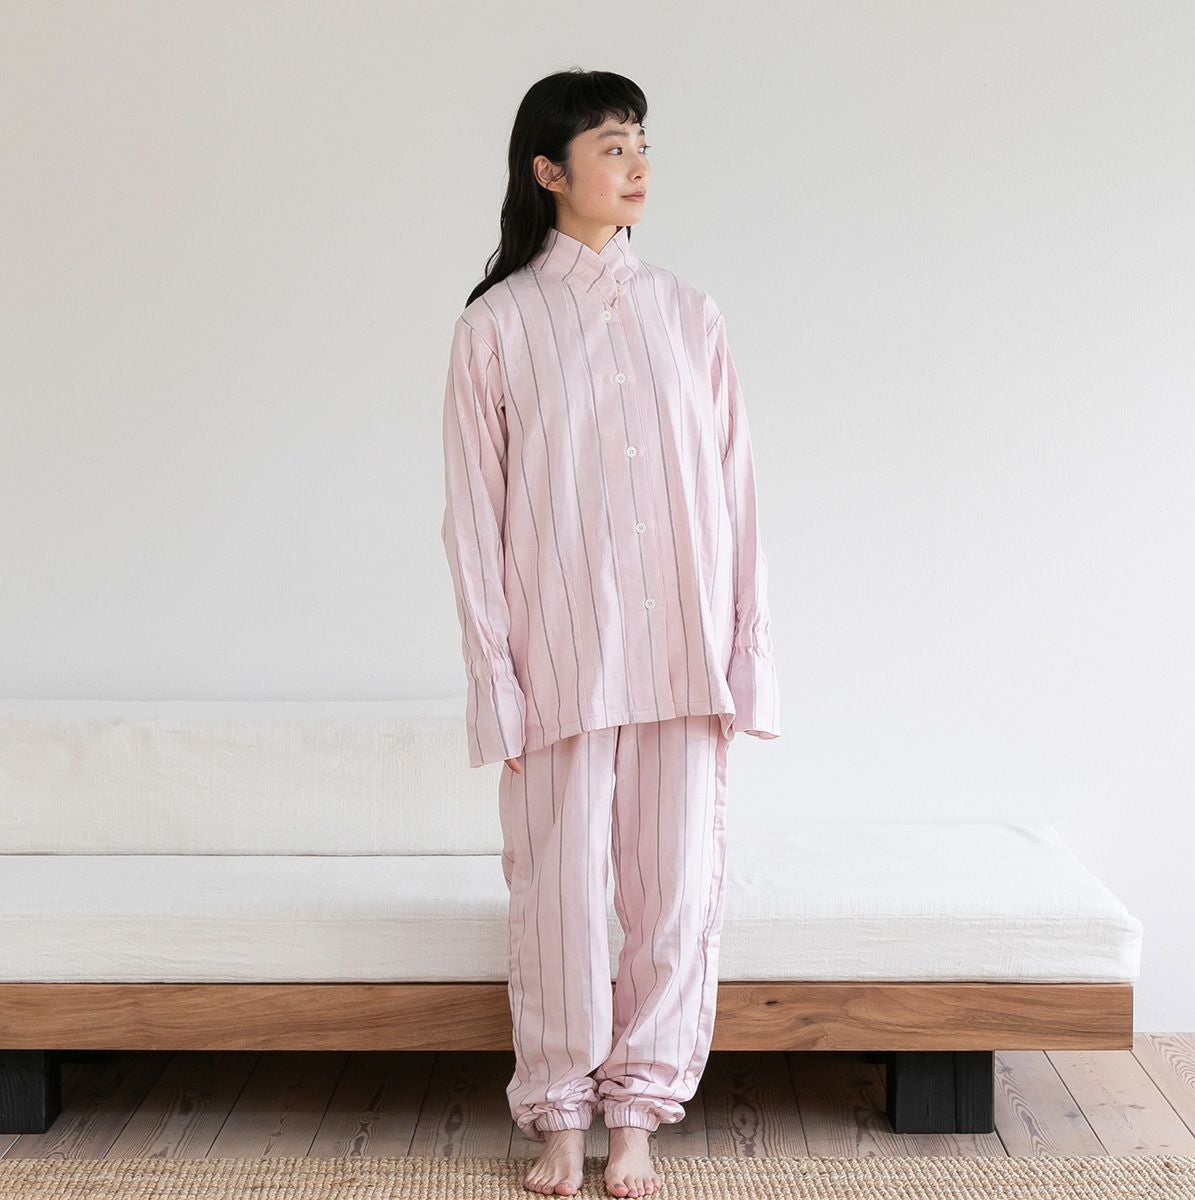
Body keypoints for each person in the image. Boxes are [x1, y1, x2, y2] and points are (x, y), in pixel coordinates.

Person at [440, 68, 780, 1198]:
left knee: (674, 893)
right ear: (550, 172)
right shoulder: (497, 327)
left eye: (642, 145)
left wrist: (746, 656)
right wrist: (496, 682)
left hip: (685, 655)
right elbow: (473, 522)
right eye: (613, 147)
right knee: (559, 899)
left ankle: (637, 1115)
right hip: (560, 662)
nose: (637, 167)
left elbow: (738, 496)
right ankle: (560, 1115)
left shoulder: (690, 315)